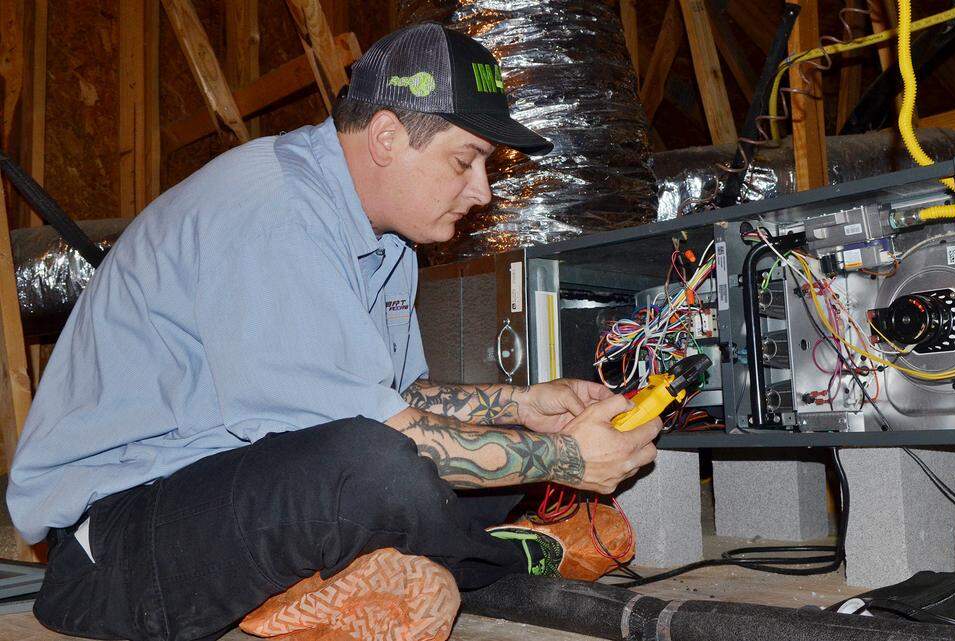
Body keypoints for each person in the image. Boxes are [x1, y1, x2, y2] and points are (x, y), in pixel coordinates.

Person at [6, 23, 661, 641]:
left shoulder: (389, 243)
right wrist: (572, 460)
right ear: (384, 138)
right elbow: (386, 442)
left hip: (232, 491)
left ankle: (331, 581)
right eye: (466, 160)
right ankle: (503, 556)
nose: (483, 190)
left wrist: (526, 406)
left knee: (468, 451)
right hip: (112, 545)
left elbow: (400, 398)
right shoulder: (276, 210)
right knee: (375, 470)